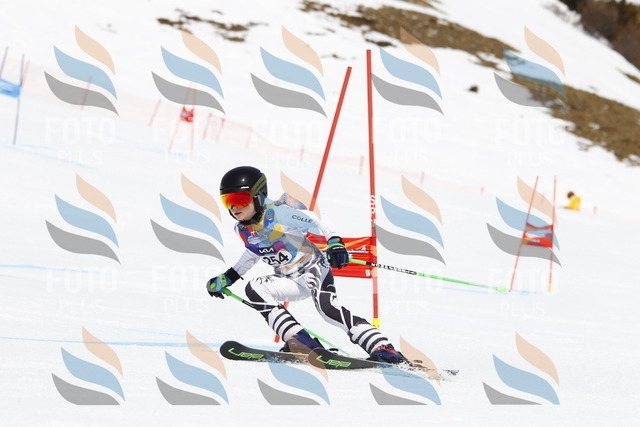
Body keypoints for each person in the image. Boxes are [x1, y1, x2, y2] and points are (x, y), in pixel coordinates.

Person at [207, 166, 405, 363]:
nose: (234, 208)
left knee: (329, 311)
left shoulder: (279, 214)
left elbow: (317, 219)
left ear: (258, 196)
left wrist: (334, 241)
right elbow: (253, 252)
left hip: (313, 269)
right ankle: (299, 340)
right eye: (227, 201)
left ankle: (382, 346)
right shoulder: (242, 229)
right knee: (255, 288)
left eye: (240, 200)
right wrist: (227, 278)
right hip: (288, 278)